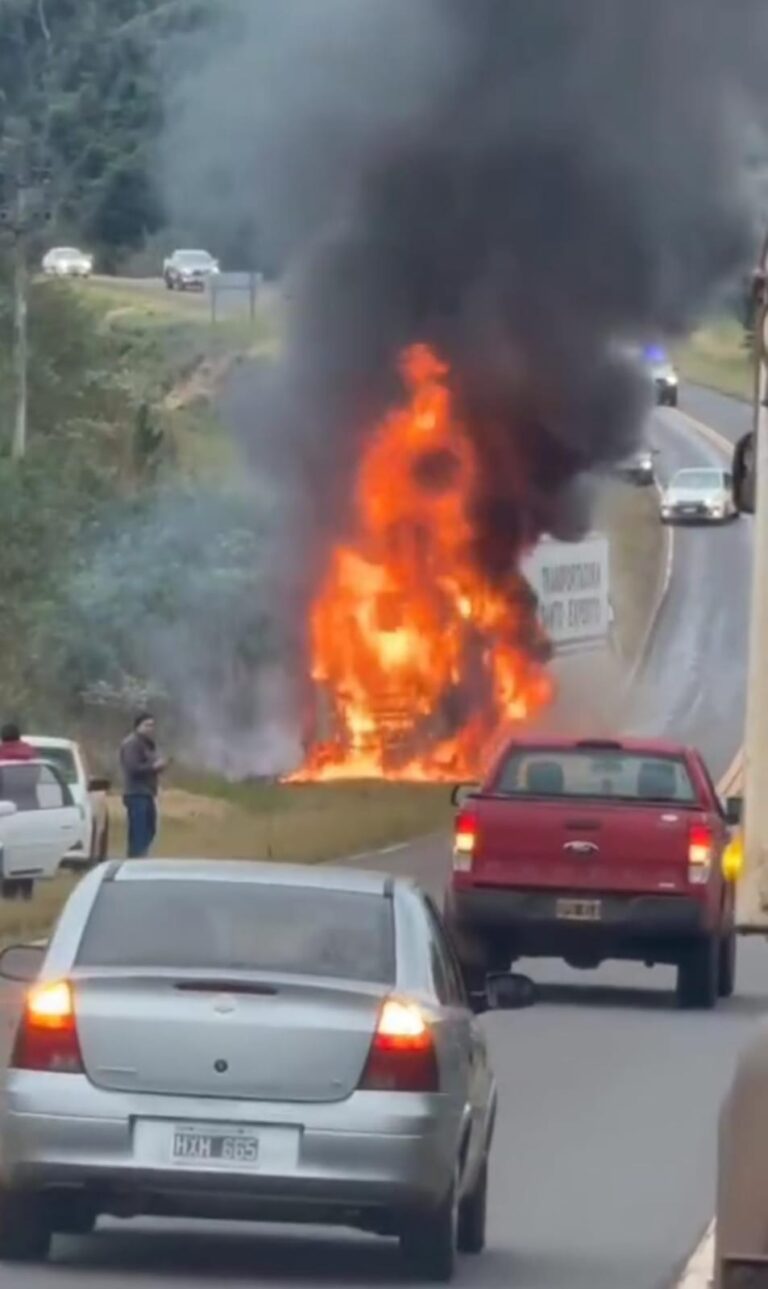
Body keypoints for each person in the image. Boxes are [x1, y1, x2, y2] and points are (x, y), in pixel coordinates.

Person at [119, 712, 168, 859]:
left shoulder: (147, 744)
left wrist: (160, 766)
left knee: (149, 829)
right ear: (138, 726)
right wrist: (153, 766)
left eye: (152, 725)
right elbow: (132, 767)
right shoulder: (131, 743)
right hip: (136, 793)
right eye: (147, 725)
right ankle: (135, 861)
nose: (150, 728)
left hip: (147, 792)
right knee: (139, 832)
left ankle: (139, 858)